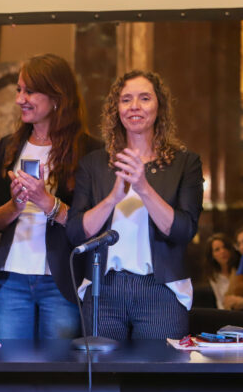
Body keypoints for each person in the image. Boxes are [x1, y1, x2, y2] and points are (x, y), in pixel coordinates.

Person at [67, 70, 203, 340]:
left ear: (159, 106)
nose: (135, 107)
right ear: (116, 109)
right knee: (102, 376)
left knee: (157, 379)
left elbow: (183, 231)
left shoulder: (185, 163)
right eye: (126, 100)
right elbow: (75, 233)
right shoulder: (94, 164)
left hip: (161, 290)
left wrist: (142, 187)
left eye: (144, 98)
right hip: (103, 289)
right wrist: (112, 199)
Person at [0, 54, 98, 340]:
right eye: (19, 90)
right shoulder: (9, 147)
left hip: (61, 282)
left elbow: (93, 226)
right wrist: (16, 205)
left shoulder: (90, 151)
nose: (20, 99)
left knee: (58, 374)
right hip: (11, 280)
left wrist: (47, 201)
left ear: (57, 97)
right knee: (8, 372)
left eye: (30, 91)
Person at [203, 233, 240, 309]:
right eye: (217, 250)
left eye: (225, 247)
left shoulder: (239, 269)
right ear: (212, 255)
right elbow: (220, 302)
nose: (223, 251)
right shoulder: (214, 277)